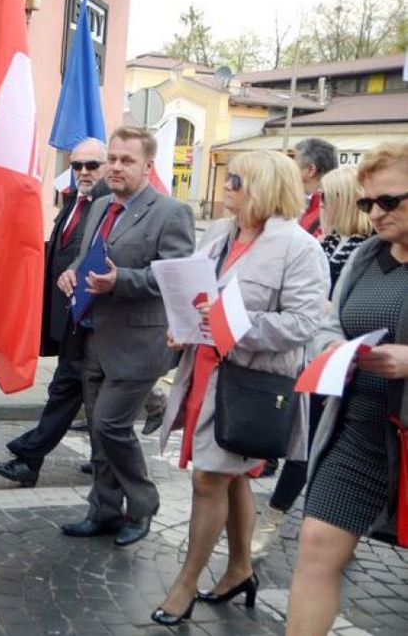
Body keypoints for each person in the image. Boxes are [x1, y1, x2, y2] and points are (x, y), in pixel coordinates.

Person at [151, 151, 328, 626]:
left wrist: (234, 324)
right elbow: (199, 297)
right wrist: (183, 327)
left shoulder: (298, 247)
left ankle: (185, 583)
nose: (225, 187)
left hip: (250, 382)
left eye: (234, 180)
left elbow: (305, 322)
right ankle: (239, 569)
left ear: (264, 187)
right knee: (230, 475)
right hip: (204, 372)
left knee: (208, 478)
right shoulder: (220, 233)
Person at [288, 141, 408, 635]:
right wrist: (335, 347)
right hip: (358, 433)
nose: (374, 214)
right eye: (366, 203)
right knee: (315, 546)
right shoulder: (365, 257)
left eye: (388, 202)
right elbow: (328, 323)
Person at [57, 126, 195, 548]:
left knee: (111, 425)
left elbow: (175, 276)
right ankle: (103, 509)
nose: (115, 167)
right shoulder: (101, 206)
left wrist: (121, 281)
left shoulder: (170, 212)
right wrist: (72, 274)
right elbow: (86, 257)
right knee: (99, 433)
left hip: (139, 344)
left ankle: (143, 503)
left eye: (126, 160)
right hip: (95, 335)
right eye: (112, 158)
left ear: (148, 166)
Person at [251, 165, 373, 558]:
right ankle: (313, 523)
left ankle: (278, 518)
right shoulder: (329, 241)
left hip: (348, 362)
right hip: (319, 355)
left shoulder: (363, 248)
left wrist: (327, 310)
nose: (320, 205)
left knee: (314, 444)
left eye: (327, 199)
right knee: (307, 440)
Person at [0, 139, 109, 487]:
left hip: (88, 319)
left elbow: (93, 257)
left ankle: (30, 458)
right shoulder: (74, 200)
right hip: (66, 316)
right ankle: (104, 460)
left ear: (105, 167)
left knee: (69, 390)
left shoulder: (105, 206)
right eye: (77, 165)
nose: (84, 172)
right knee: (80, 392)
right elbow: (58, 249)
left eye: (92, 166)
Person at [294, 137, 339, 239]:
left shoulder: (326, 213)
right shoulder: (313, 204)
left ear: (311, 170)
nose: (290, 170)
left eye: (294, 163)